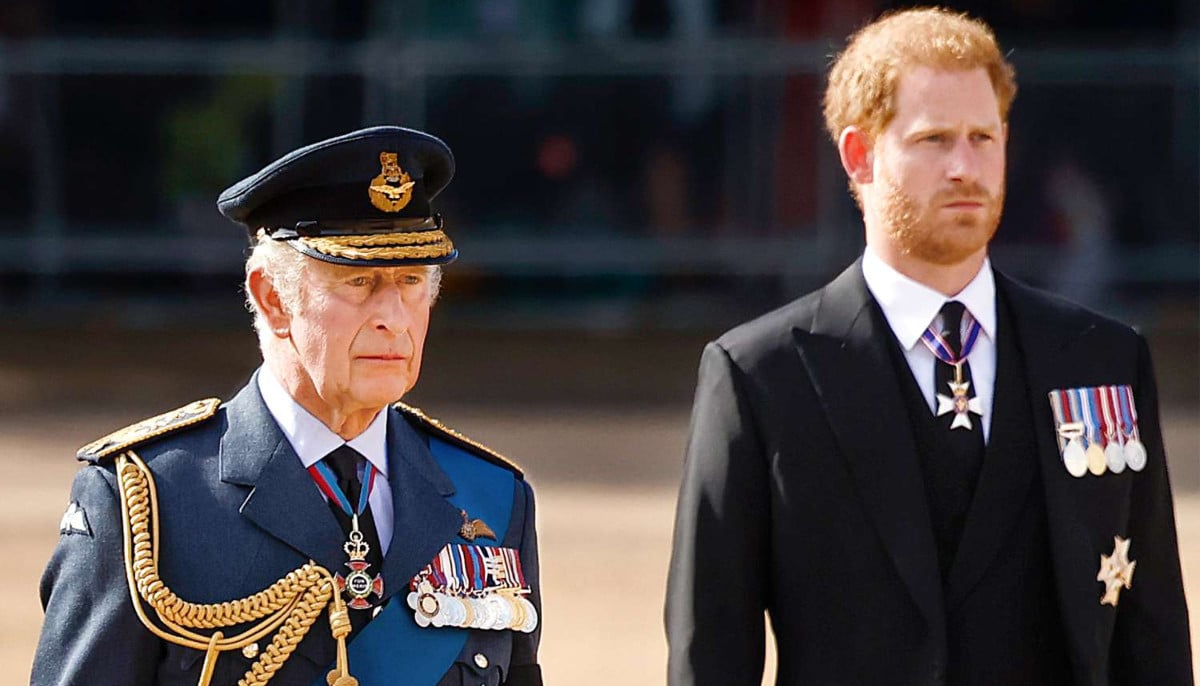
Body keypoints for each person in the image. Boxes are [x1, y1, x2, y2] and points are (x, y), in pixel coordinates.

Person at [665, 8, 1191, 685]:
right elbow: (710, 654)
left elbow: (1153, 642)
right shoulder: (761, 378)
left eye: (983, 137)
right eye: (934, 139)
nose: (965, 167)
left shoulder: (1104, 361)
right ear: (859, 156)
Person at [33, 126, 543, 686]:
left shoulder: (493, 496)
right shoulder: (149, 500)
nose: (394, 318)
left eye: (411, 281)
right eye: (358, 282)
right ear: (273, 298)